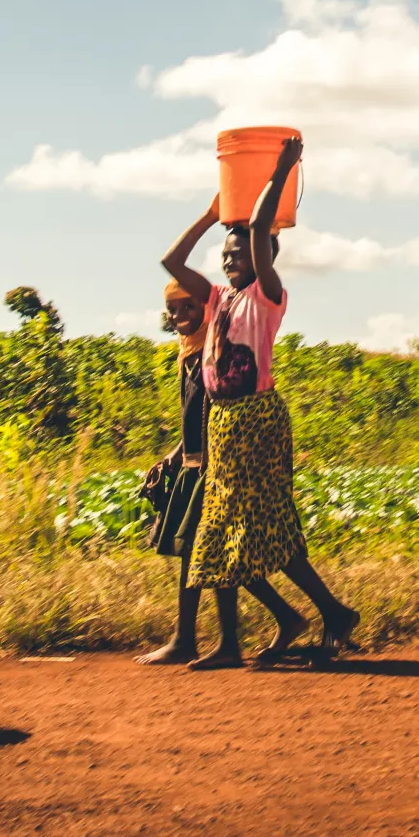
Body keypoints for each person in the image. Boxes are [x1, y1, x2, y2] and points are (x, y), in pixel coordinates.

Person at [162, 136, 359, 668]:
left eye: (241, 254)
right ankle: (299, 621)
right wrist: (210, 216)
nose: (232, 263)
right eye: (225, 257)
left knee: (254, 526)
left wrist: (280, 170)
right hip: (223, 420)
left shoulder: (266, 296)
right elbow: (170, 260)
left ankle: (317, 615)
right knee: (230, 528)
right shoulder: (218, 297)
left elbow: (255, 236)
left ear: (266, 258)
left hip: (257, 422)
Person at [138, 266, 310, 665]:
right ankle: (196, 637)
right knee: (196, 554)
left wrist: (203, 459)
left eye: (188, 306)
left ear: (207, 307)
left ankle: (231, 636)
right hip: (196, 462)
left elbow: (215, 412)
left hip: (216, 463)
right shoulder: (188, 353)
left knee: (212, 554)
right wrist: (174, 456)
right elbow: (192, 418)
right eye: (171, 308)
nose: (178, 314)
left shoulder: (211, 352)